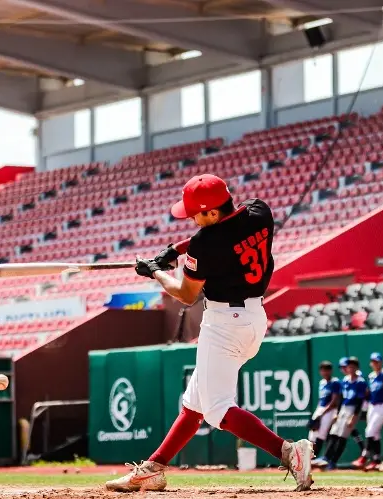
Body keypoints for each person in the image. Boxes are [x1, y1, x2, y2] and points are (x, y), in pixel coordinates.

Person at [105, 174, 313, 492]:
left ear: (212, 212)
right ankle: (153, 468)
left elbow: (186, 295)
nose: (192, 219)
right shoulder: (259, 210)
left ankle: (288, 452)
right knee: (194, 405)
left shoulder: (206, 243)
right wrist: (173, 251)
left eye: (195, 214)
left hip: (224, 323)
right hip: (254, 316)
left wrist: (156, 272)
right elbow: (218, 235)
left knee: (217, 409)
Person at [317, 357, 367, 470]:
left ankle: (333, 462)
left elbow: (359, 401)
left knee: (342, 436)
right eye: (348, 367)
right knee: (334, 433)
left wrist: (354, 417)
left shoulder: (360, 382)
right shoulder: (345, 380)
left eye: (352, 367)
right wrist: (337, 413)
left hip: (352, 409)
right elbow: (341, 398)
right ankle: (326, 458)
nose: (350, 369)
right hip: (343, 408)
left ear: (357, 368)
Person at [353, 352, 383, 471]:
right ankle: (376, 460)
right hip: (372, 406)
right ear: (371, 363)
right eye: (373, 362)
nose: (375, 364)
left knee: (370, 431)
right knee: (375, 434)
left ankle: (364, 456)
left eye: (377, 362)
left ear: (381, 362)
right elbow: (369, 392)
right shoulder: (371, 376)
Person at [308, 361, 341, 463]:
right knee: (312, 434)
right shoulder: (322, 383)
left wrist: (322, 413)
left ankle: (318, 458)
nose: (324, 372)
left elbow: (334, 400)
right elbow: (320, 399)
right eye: (322, 370)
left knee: (322, 433)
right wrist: (317, 412)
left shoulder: (335, 382)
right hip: (320, 408)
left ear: (330, 371)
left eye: (327, 370)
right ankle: (310, 458)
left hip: (330, 410)